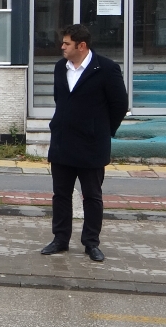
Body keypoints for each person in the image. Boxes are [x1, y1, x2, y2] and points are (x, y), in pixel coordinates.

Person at [40, 24, 128, 262]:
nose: (62, 47)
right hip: (62, 142)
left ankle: (91, 242)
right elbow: (61, 100)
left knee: (92, 196)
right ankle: (60, 239)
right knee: (61, 195)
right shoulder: (61, 68)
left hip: (91, 145)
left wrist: (102, 130)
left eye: (67, 43)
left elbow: (119, 105)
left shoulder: (107, 69)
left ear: (82, 46)